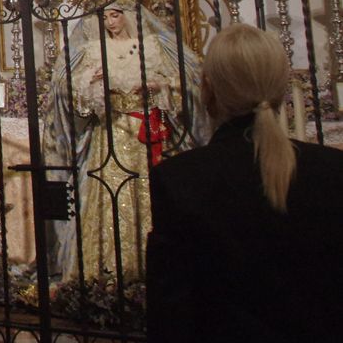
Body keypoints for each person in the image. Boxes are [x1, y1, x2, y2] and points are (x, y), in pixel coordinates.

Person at [146, 23, 343, 340]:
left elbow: (170, 312)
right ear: (280, 87)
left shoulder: (181, 179)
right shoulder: (333, 170)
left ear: (207, 88)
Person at [43, 0, 203, 284]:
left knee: (150, 191)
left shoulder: (153, 47)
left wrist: (159, 86)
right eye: (105, 17)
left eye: (115, 16)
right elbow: (73, 92)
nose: (110, 22)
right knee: (108, 192)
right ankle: (106, 268)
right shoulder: (94, 50)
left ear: (128, 16)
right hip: (111, 133)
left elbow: (186, 83)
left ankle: (153, 265)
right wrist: (93, 83)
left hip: (147, 130)